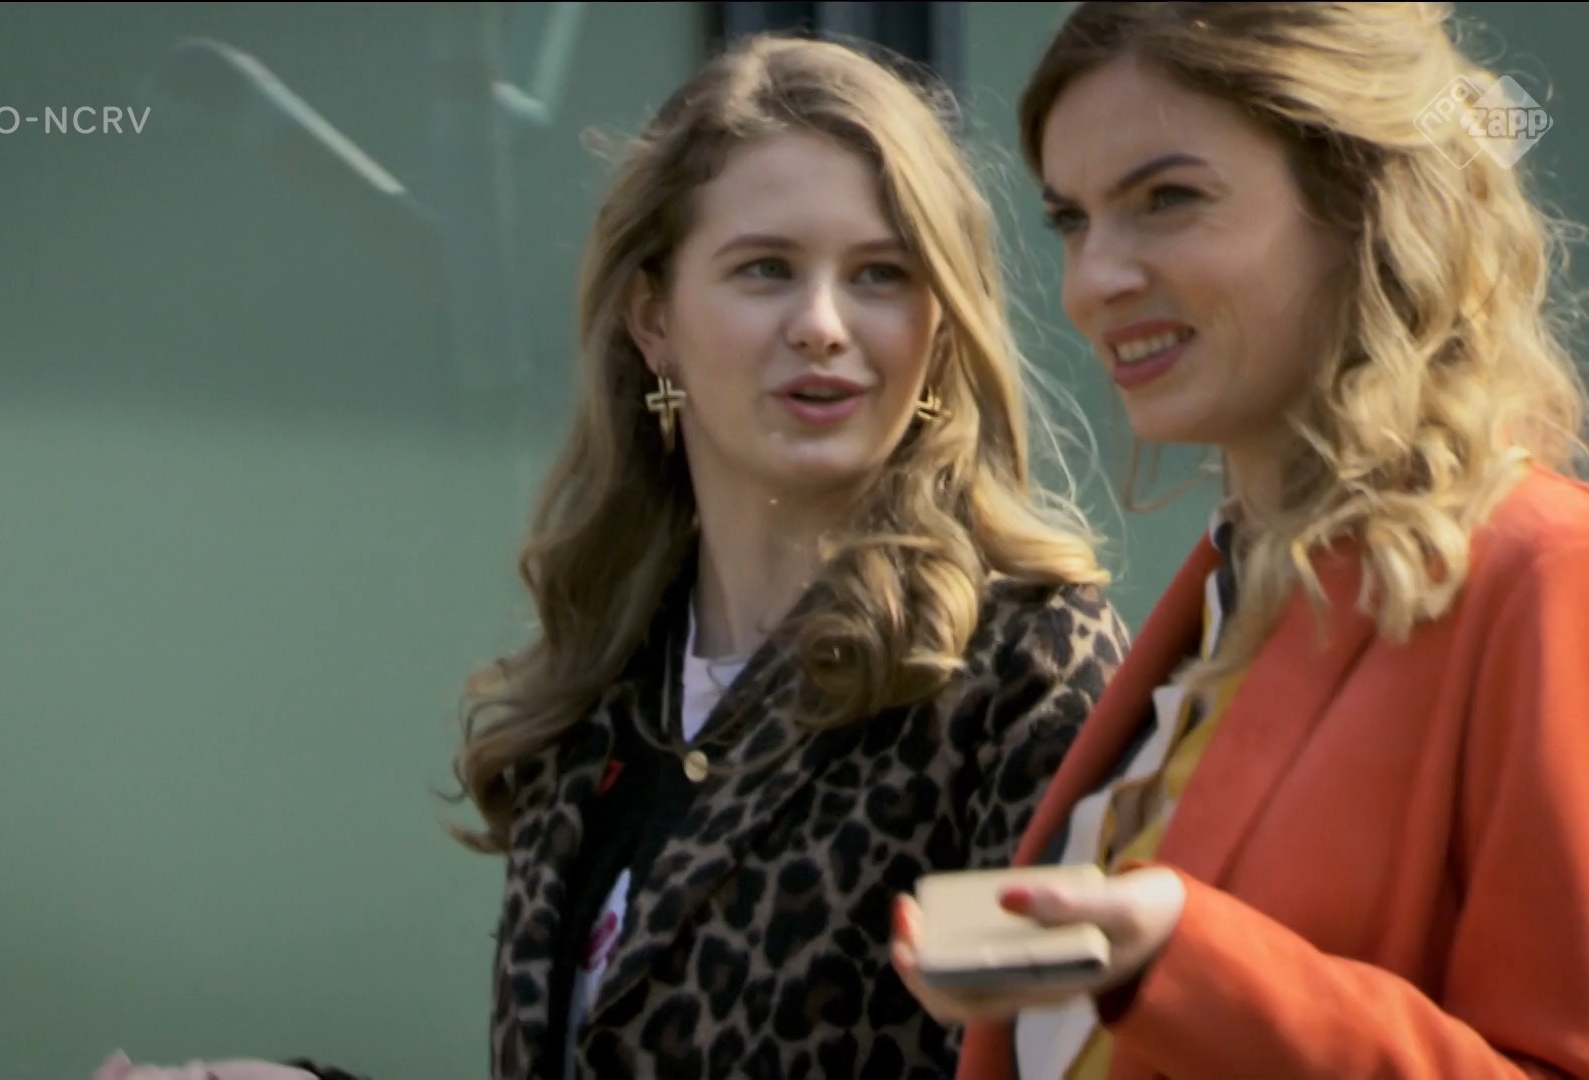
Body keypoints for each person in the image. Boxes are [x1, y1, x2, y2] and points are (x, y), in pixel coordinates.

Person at [97, 30, 1129, 1080]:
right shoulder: (602, 690)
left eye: (880, 275)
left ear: (940, 326)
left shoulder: (1022, 667)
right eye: (766, 269)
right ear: (653, 319)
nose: (823, 324)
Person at [886, 3, 1589, 1078]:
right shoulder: (1223, 601)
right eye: (1072, 221)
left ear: (1361, 202)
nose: (1093, 281)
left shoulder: (1557, 574)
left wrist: (1189, 965)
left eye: (1168, 199)